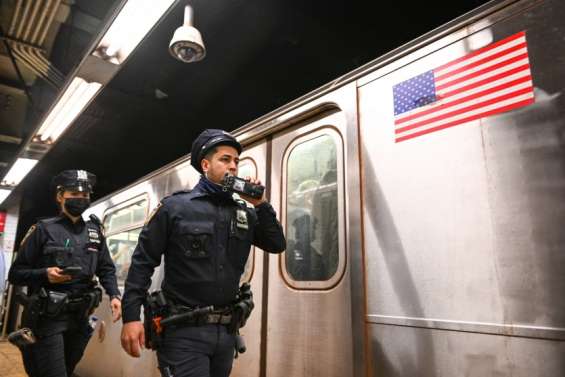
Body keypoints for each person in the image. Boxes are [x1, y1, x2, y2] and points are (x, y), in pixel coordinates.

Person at [120, 129, 286, 377]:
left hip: (226, 333)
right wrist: (131, 317)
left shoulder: (244, 212)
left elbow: (276, 244)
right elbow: (142, 262)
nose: (233, 167)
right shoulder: (174, 208)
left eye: (236, 161)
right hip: (183, 332)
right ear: (205, 164)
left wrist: (260, 204)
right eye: (225, 159)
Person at [8, 169, 122, 377]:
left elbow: (106, 268)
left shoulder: (95, 232)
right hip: (49, 317)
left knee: (67, 372)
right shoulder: (43, 229)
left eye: (85, 195)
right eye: (75, 194)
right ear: (60, 196)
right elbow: (16, 273)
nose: (81, 199)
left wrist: (114, 294)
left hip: (81, 317)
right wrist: (45, 274)